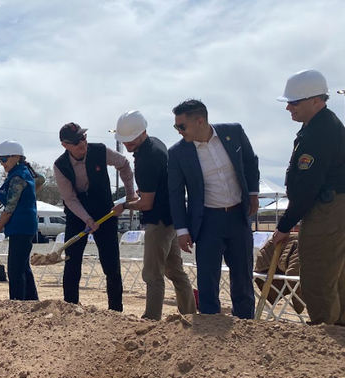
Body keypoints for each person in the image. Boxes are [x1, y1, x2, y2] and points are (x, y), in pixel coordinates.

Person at [168, 99, 260, 319]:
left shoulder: (234, 132)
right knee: (208, 280)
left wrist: (254, 195)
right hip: (207, 221)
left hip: (239, 216)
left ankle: (246, 327)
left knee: (243, 278)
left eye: (182, 126)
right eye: (176, 127)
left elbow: (250, 161)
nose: (179, 131)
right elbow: (176, 194)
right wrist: (182, 230)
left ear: (200, 121)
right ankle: (210, 333)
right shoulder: (178, 152)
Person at [272, 70, 345, 325]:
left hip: (325, 209)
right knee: (337, 276)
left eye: (294, 102)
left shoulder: (319, 131)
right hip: (333, 207)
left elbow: (308, 185)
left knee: (318, 275)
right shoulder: (321, 125)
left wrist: (284, 224)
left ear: (316, 100)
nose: (289, 108)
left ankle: (325, 334)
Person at [111, 111, 196, 320]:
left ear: (142, 133)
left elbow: (147, 203)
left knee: (152, 274)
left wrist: (124, 205)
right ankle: (191, 314)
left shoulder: (147, 159)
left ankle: (151, 318)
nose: (128, 145)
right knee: (175, 271)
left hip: (158, 222)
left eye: (130, 140)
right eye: (125, 141)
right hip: (171, 218)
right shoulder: (155, 144)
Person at [54, 122, 136, 311]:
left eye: (83, 137)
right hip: (77, 216)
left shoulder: (99, 151)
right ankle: (70, 307)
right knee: (71, 262)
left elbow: (124, 164)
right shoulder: (60, 166)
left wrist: (130, 194)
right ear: (65, 145)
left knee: (111, 265)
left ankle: (116, 311)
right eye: (76, 141)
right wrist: (86, 219)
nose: (82, 143)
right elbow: (70, 199)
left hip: (105, 213)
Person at [0, 140, 44, 301]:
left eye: (4, 159)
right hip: (26, 225)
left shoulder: (18, 177)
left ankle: (17, 304)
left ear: (16, 157)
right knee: (23, 266)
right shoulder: (24, 172)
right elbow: (41, 179)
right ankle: (32, 302)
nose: (2, 163)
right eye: (0, 160)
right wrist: (29, 194)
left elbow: (9, 209)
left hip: (21, 226)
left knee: (15, 269)